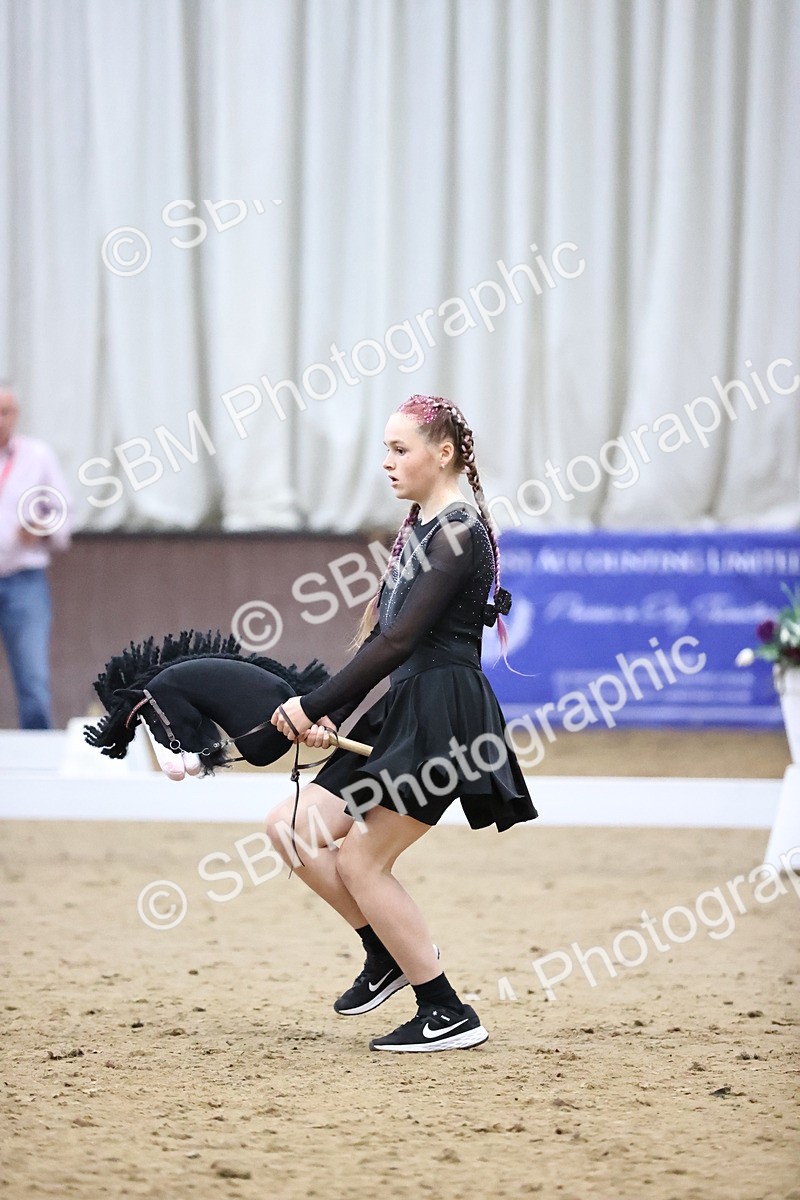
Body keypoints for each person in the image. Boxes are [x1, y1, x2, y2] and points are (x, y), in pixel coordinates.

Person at [267, 394, 537, 1053]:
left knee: (362, 860)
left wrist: (310, 704)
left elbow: (399, 641)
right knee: (291, 828)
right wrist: (330, 711)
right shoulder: (422, 530)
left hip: (446, 714)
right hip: (407, 703)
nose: (387, 462)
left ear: (442, 453)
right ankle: (386, 951)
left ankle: (446, 1012)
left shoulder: (458, 533)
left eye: (399, 449)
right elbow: (382, 646)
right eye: (385, 449)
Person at [0, 385, 72, 728]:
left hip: (23, 580)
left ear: (16, 415)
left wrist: (42, 528)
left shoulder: (37, 456)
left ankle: (38, 750)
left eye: (5, 412)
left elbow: (63, 511)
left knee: (33, 678)